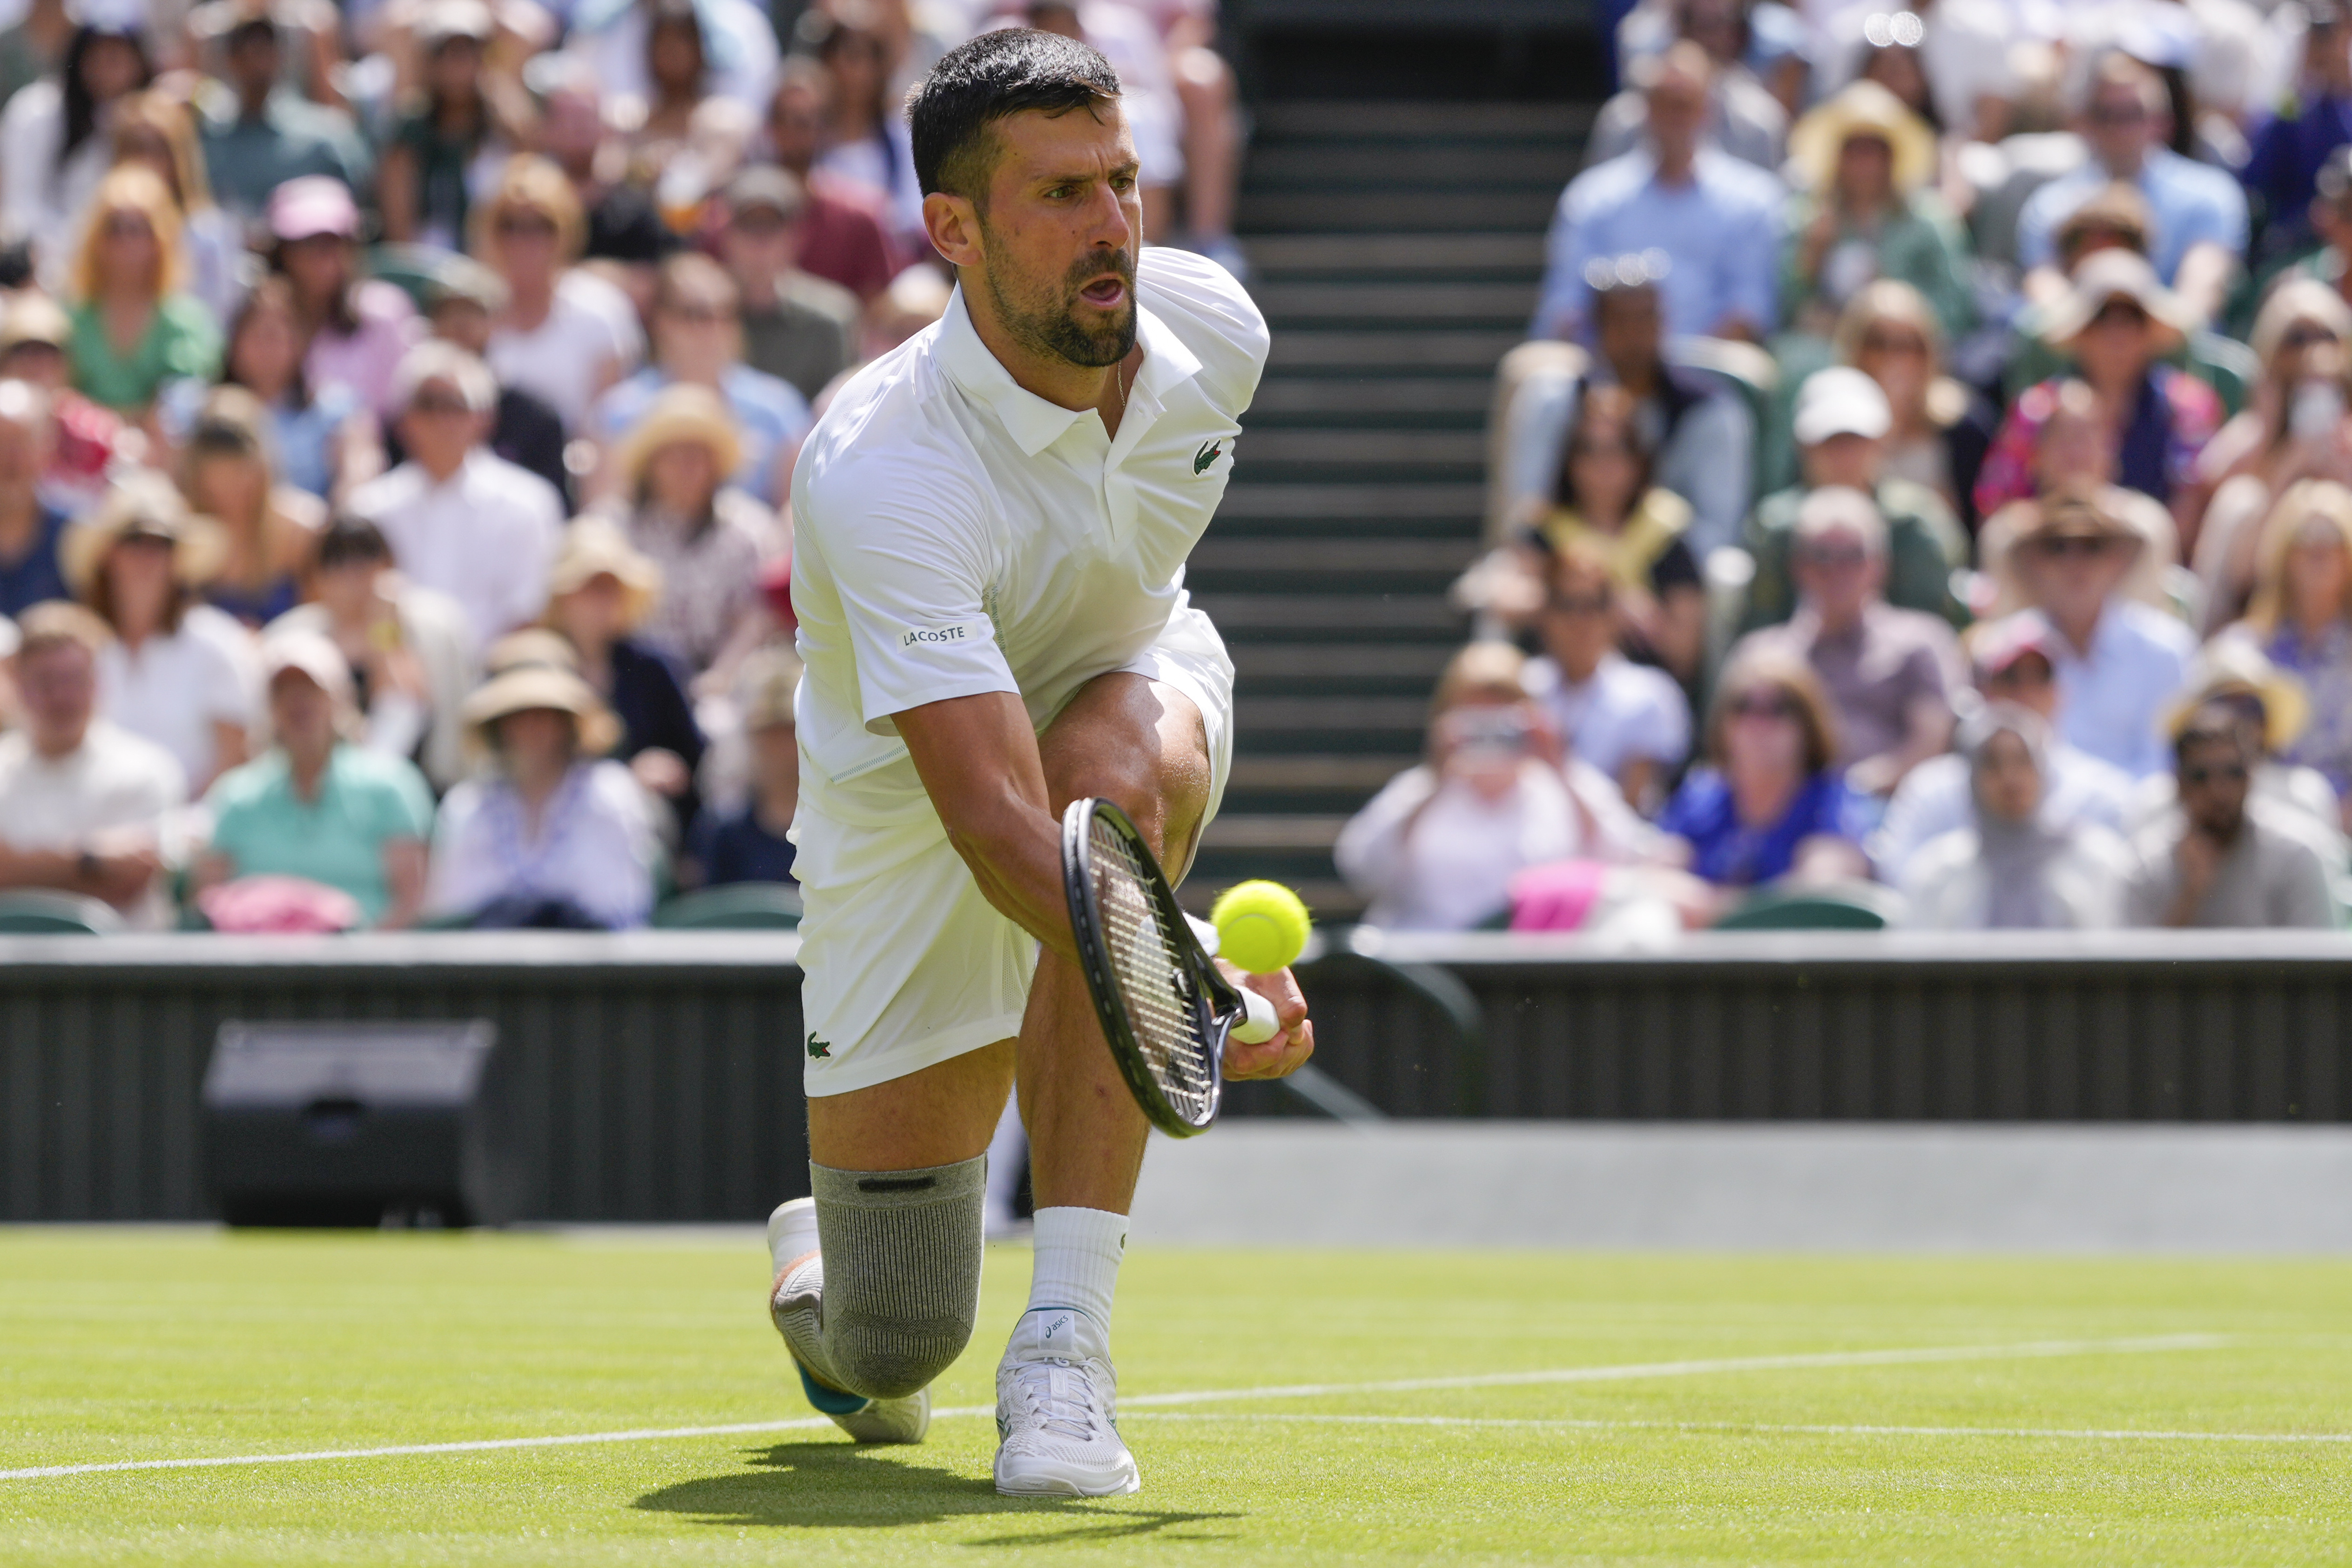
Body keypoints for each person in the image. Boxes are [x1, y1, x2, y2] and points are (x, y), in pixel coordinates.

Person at [769, 30, 1311, 1496]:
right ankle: (826, 1257)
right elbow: (1002, 824)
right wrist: (1193, 965)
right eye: (1062, 193)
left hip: (1135, 697)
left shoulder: (1219, 337)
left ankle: (1064, 1352)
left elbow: (1070, 818)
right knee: (885, 1348)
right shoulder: (883, 468)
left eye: (1124, 180)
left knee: (1108, 785)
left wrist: (1151, 933)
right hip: (912, 821)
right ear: (954, 229)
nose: (1113, 225)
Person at [1335, 641, 1660, 931]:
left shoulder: (1568, 784)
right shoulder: (1418, 789)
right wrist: (1435, 780)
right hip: (1427, 969)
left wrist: (1560, 767)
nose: (1489, 731)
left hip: (1535, 975)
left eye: (1502, 713)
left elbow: (1625, 859)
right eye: (1475, 716)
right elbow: (1360, 867)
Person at [1533, 42, 1783, 344]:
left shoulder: (1752, 200)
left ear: (1706, 110)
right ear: (1646, 110)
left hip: (1712, 369)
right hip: (1602, 366)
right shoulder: (1591, 197)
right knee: (1536, 378)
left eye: (1684, 103)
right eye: (1664, 102)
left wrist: (1675, 382)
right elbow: (1565, 302)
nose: (1674, 117)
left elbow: (1750, 308)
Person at [1497, 269, 1755, 555]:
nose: (1634, 335)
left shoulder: (1708, 408)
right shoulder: (1554, 401)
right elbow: (1530, 509)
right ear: (1596, 327)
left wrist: (1644, 571)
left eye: (1646, 319)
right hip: (1566, 570)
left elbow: (1717, 528)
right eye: (1591, 449)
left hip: (1668, 575)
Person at [1457, 385, 1705, 681]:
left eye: (1618, 448)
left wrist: (1644, 621)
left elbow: (1685, 652)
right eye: (1588, 448)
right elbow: (1493, 596)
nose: (1603, 463)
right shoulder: (1547, 528)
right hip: (1553, 689)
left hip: (1641, 694)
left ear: (1639, 460)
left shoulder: (1666, 531)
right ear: (1570, 459)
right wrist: (1593, 604)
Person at [1729, 485, 1963, 794]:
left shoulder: (1921, 641)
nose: (1837, 570)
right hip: (1781, 816)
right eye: (1821, 556)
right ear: (1798, 567)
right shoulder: (1762, 656)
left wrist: (1850, 793)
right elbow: (1732, 751)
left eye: (1853, 556)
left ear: (1880, 565)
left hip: (1891, 814)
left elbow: (1931, 742)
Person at [194, 630, 435, 930]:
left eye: (311, 689)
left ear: (341, 699)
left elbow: (412, 901)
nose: (297, 702)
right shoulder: (236, 796)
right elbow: (209, 902)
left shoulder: (391, 787)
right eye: (283, 691)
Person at [1872, 614, 2136, 878]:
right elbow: (1899, 876)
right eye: (2011, 679)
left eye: (2040, 679)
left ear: (2059, 693)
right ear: (1984, 692)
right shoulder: (1931, 791)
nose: (2026, 693)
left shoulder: (2102, 795)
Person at [1974, 251, 2224, 525]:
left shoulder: (2188, 406)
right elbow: (1995, 502)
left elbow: (2195, 501)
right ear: (2081, 331)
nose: (2118, 335)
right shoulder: (2036, 409)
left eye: (2133, 318)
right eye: (2103, 318)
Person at [348, 342, 565, 655]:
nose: (441, 419)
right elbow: (361, 607)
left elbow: (528, 614)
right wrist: (395, 661)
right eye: (427, 404)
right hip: (397, 676)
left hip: (495, 680)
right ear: (404, 420)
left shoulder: (528, 503)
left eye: (455, 404)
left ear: (484, 418)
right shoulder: (369, 509)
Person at [425, 642, 657, 929]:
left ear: (568, 723)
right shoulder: (467, 806)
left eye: (547, 712)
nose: (533, 726)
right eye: (518, 714)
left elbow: (619, 905)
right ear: (499, 725)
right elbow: (455, 912)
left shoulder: (609, 793)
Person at [2018, 52, 2249, 326]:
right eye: (2107, 115)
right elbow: (2047, 302)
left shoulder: (2211, 194)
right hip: (2075, 355)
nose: (2120, 128)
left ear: (2164, 122)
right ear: (2086, 123)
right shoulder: (2050, 206)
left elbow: (2198, 302)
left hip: (2175, 358)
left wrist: (2140, 345)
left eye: (2133, 114)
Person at [64, 471, 257, 795]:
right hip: (91, 830)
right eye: (134, 540)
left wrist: (177, 826)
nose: (148, 556)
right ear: (108, 555)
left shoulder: (218, 642)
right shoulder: (77, 645)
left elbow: (234, 757)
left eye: (163, 544)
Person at [1738, 366, 1968, 632]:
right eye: (1830, 441)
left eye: (1855, 440)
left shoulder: (1917, 524)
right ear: (1803, 447)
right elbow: (1761, 630)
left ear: (1880, 444)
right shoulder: (1774, 528)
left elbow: (1935, 625)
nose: (1844, 455)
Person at [0, 600, 185, 927]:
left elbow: (133, 876)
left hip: (121, 974)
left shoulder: (147, 769)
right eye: (45, 680)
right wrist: (91, 861)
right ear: (19, 686)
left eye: (73, 679)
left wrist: (19, 865)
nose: (61, 696)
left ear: (97, 682)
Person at [1996, 487, 2197, 779]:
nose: (2074, 563)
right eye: (2057, 547)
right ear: (2034, 564)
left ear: (2118, 561)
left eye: (2093, 546)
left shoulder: (2168, 649)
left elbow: (2168, 763)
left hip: (2143, 818)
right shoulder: (2003, 651)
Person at [267, 512, 476, 793]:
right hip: (318, 785)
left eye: (364, 560)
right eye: (337, 564)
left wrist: (383, 631)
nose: (352, 576)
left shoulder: (429, 629)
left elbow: (408, 709)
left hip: (408, 786)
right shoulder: (291, 636)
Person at [589, 253, 812, 507]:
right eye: (695, 314)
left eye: (726, 312)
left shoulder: (778, 408)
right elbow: (602, 512)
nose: (713, 328)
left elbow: (795, 515)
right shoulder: (620, 412)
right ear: (661, 322)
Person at [2187, 282, 2352, 623]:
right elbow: (2243, 569)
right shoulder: (2249, 435)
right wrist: (2287, 460)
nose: (2312, 349)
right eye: (2296, 338)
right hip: (2257, 604)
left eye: (2326, 336)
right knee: (2240, 501)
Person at [1657, 651, 1871, 896]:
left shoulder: (1831, 798)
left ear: (1809, 725)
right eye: (1743, 706)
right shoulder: (1703, 795)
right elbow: (1653, 877)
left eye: (1778, 709)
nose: (1758, 723)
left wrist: (1717, 908)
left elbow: (1822, 888)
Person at [1899, 703, 2130, 929]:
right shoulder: (1939, 876)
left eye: (2022, 761)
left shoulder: (2095, 863)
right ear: (1973, 780)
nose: (2010, 779)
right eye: (1992, 764)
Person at [540, 516, 705, 834]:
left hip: (641, 832)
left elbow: (693, 761)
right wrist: (627, 779)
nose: (602, 600)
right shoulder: (537, 664)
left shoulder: (653, 668)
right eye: (589, 587)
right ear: (562, 597)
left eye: (611, 587)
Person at [606, 382, 777, 680]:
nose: (685, 466)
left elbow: (758, 617)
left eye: (698, 454)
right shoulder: (613, 528)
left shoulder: (749, 530)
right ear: (650, 464)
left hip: (725, 683)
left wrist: (721, 678)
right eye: (672, 454)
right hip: (632, 681)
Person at [1779, 80, 1971, 345]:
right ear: (1836, 158)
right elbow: (1783, 308)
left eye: (1874, 150)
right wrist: (1809, 264)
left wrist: (1896, 307)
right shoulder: (1804, 220)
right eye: (1854, 150)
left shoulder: (1931, 222)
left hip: (1910, 353)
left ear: (1893, 158)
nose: (1864, 163)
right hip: (1824, 349)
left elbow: (1958, 307)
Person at [2122, 699, 2336, 926]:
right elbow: (2135, 958)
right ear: (2178, 784)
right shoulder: (2144, 868)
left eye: (2233, 773)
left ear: (2252, 777)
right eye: (2201, 776)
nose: (2219, 791)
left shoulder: (2296, 856)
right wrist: (2190, 895)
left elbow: (2314, 957)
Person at [476, 155, 646, 437]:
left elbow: (608, 426)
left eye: (541, 226)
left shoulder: (601, 311)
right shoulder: (473, 310)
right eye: (510, 225)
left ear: (565, 231)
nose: (524, 240)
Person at [1523, 545, 1692, 815]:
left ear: (1614, 613)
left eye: (1595, 604)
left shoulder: (1651, 694)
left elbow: (1631, 811)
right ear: (1546, 615)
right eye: (1567, 604)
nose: (1581, 620)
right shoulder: (1520, 687)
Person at [2225, 478, 2352, 814]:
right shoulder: (2243, 653)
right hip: (2266, 818)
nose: (2319, 550)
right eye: (2305, 538)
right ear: (2283, 554)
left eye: (2332, 538)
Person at [64, 164, 222, 429]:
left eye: (139, 228)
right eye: (115, 228)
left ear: (161, 238)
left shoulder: (187, 323)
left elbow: (184, 407)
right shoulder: (69, 319)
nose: (126, 239)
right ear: (96, 238)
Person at [1831, 281, 1995, 532]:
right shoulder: (1831, 424)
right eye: (1878, 343)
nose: (1894, 358)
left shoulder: (1964, 428)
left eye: (1909, 345)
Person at [0, 17, 151, 283]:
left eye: (119, 56)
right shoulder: (35, 112)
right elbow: (21, 207)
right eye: (100, 54)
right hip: (41, 266)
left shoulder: (150, 123)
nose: (110, 65)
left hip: (127, 266)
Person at [417, 256, 570, 505]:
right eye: (448, 313)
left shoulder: (535, 418)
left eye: (473, 313)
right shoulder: (411, 414)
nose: (460, 324)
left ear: (497, 323)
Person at [195, 7, 370, 224]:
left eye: (264, 49)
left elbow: (360, 201)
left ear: (281, 56)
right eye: (244, 50)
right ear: (230, 60)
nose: (255, 60)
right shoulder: (208, 142)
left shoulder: (326, 137)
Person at [270, 176, 421, 427]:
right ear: (282, 252)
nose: (321, 256)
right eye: (306, 243)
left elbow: (403, 409)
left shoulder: (386, 313)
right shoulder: (263, 321)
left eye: (332, 242)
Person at [221, 276, 377, 506]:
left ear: (299, 343)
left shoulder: (337, 410)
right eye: (256, 333)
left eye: (275, 336)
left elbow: (359, 478)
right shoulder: (199, 409)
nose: (266, 348)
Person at [379, 0, 519, 252]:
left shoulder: (505, 126)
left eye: (468, 51)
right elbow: (399, 226)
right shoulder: (409, 130)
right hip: (428, 267)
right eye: (445, 52)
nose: (457, 63)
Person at [181, 387, 324, 629]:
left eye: (239, 468)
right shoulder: (181, 533)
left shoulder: (301, 531)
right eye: (217, 469)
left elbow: (322, 622)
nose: (229, 484)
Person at [762, 55, 901, 301]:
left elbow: (877, 307)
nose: (793, 131)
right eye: (784, 118)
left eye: (805, 121)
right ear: (768, 126)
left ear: (826, 128)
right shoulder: (730, 215)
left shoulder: (859, 219)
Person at [720, 166, 862, 404]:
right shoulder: (702, 314)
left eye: (772, 228)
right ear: (727, 237)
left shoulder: (830, 320)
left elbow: (840, 412)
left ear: (796, 238)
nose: (760, 244)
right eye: (749, 227)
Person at [111, 91, 245, 327]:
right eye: (136, 148)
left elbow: (220, 313)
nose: (146, 161)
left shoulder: (208, 232)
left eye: (157, 149)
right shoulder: (102, 227)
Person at [2238, 0, 2352, 263]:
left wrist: (2344, 85)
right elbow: (2255, 174)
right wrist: (2300, 80)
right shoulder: (2293, 107)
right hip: (2293, 242)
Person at [687, 644, 800, 887]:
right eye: (768, 732)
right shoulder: (722, 832)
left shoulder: (839, 828)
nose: (779, 748)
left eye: (789, 731)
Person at [0, 379, 70, 614]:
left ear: (47, 449)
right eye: (1, 443)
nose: (12, 460)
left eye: (23, 442)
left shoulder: (75, 540)